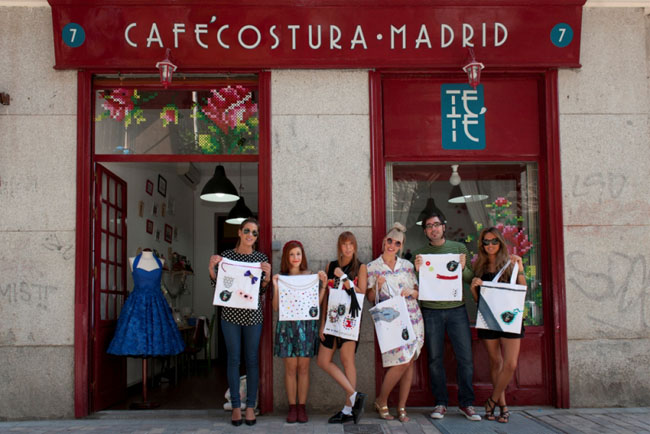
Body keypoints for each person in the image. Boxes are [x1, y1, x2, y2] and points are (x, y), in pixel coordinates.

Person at [413, 211, 481, 421]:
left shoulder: (459, 249)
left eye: (436, 224)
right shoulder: (420, 253)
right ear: (425, 231)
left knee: (465, 358)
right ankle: (440, 403)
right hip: (430, 310)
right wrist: (416, 270)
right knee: (434, 359)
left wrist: (463, 267)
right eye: (429, 226)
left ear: (443, 226)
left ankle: (466, 403)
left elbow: (469, 279)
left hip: (456, 309)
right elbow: (416, 285)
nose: (433, 229)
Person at [208, 218, 271, 427]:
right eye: (247, 231)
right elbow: (219, 286)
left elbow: (261, 290)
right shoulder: (226, 256)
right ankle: (236, 406)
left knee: (252, 360)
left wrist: (267, 278)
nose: (250, 235)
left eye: (254, 232)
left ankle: (250, 406)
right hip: (230, 316)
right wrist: (211, 269)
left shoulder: (260, 258)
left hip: (253, 315)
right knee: (233, 359)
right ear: (239, 232)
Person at [367, 223, 424, 423]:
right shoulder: (372, 267)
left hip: (413, 317)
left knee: (409, 362)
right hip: (391, 320)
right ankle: (382, 400)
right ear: (384, 241)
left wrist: (412, 292)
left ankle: (401, 407)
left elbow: (419, 291)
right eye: (389, 241)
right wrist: (376, 285)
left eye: (397, 243)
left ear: (401, 246)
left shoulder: (407, 266)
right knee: (402, 361)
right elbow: (370, 298)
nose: (392, 245)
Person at [470, 227, 526, 424]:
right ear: (482, 245)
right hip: (488, 318)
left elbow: (522, 290)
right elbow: (479, 301)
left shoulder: (511, 263)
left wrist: (520, 268)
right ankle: (503, 406)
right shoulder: (480, 266)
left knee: (510, 364)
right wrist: (474, 288)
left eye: (494, 241)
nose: (490, 245)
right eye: (486, 242)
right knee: (496, 362)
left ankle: (491, 400)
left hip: (511, 318)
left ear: (500, 243)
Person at [272, 240, 327, 423]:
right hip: (286, 326)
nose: (295, 257)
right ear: (286, 257)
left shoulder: (310, 276)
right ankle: (292, 407)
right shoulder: (281, 277)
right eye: (292, 254)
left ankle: (301, 407)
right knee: (290, 368)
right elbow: (275, 307)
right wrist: (276, 287)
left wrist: (323, 286)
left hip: (306, 326)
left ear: (302, 256)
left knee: (303, 368)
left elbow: (316, 305)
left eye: (298, 254)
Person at [317, 231, 368, 424]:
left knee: (348, 361)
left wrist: (345, 279)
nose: (347, 248)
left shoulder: (361, 267)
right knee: (323, 361)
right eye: (344, 244)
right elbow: (327, 297)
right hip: (331, 319)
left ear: (355, 246)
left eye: (350, 244)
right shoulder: (331, 266)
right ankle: (354, 395)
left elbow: (361, 294)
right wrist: (322, 323)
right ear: (339, 247)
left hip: (349, 320)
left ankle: (348, 409)